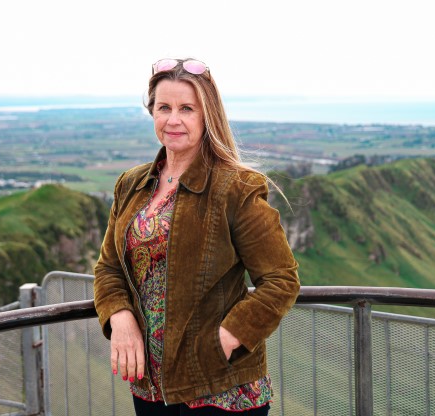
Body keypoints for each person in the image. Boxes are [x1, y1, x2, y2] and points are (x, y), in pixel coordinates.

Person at [93, 58, 300, 415]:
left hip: (220, 390)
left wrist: (224, 340)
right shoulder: (131, 184)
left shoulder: (236, 188)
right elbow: (108, 269)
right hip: (150, 386)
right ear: (152, 113)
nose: (173, 119)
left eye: (187, 108)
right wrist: (119, 317)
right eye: (164, 108)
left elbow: (281, 280)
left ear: (208, 116)